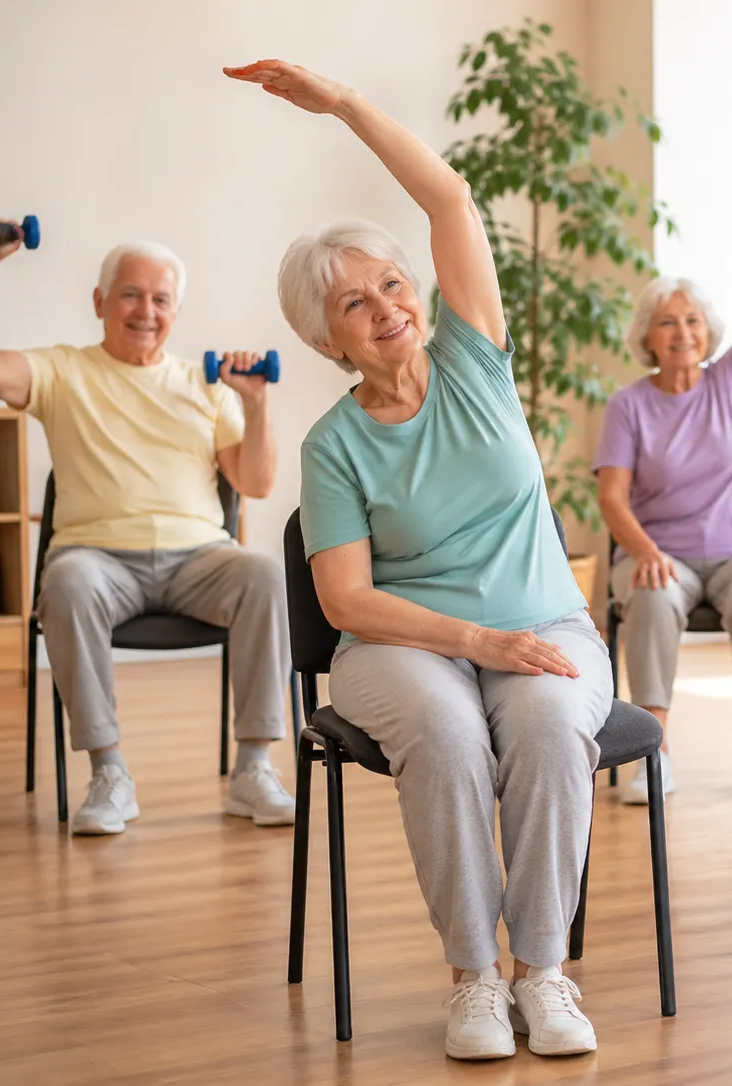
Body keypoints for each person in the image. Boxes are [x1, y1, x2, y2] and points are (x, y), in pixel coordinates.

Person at [225, 58, 611, 1061]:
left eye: (391, 283)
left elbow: (447, 195)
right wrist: (474, 637)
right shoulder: (332, 447)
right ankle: (473, 981)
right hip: (402, 644)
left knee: (548, 717)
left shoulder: (476, 353)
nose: (387, 306)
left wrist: (344, 104)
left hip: (543, 624)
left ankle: (543, 974)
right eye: (354, 303)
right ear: (328, 338)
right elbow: (347, 598)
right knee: (443, 730)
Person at [0, 234, 295, 837]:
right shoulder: (62, 371)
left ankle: (253, 770)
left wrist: (258, 403)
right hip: (98, 561)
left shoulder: (207, 383)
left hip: (200, 560)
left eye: (161, 299)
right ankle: (109, 775)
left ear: (176, 312)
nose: (146, 311)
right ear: (99, 301)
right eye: (130, 295)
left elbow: (257, 483)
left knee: (264, 572)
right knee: (65, 581)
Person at [594, 151, 732, 805]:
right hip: (662, 553)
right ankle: (655, 752)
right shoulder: (629, 405)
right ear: (647, 337)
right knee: (650, 594)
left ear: (708, 332)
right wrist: (646, 551)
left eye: (691, 320)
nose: (681, 331)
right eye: (666, 322)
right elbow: (612, 497)